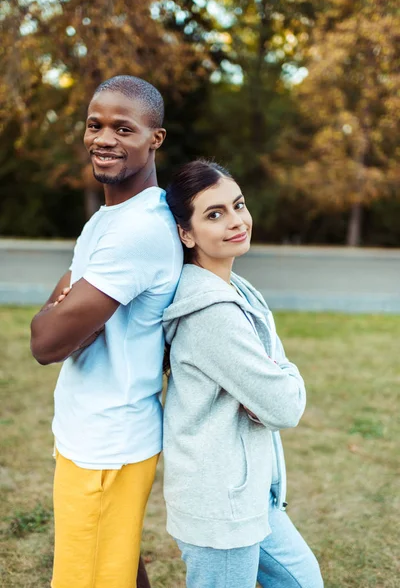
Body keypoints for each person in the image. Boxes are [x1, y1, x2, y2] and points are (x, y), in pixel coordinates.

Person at [30, 75, 183, 588]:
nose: (104, 139)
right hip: (93, 434)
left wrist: (61, 315)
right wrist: (65, 317)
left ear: (154, 138)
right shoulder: (109, 220)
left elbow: (46, 341)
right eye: (95, 125)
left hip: (106, 445)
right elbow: (60, 324)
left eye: (123, 128)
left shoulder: (137, 231)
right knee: (117, 567)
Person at [162, 159, 324, 588]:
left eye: (238, 205)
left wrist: (276, 381)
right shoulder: (211, 312)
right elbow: (284, 405)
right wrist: (279, 382)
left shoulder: (238, 288)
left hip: (251, 493)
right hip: (220, 503)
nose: (236, 221)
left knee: (303, 581)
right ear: (186, 233)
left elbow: (275, 390)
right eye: (214, 214)